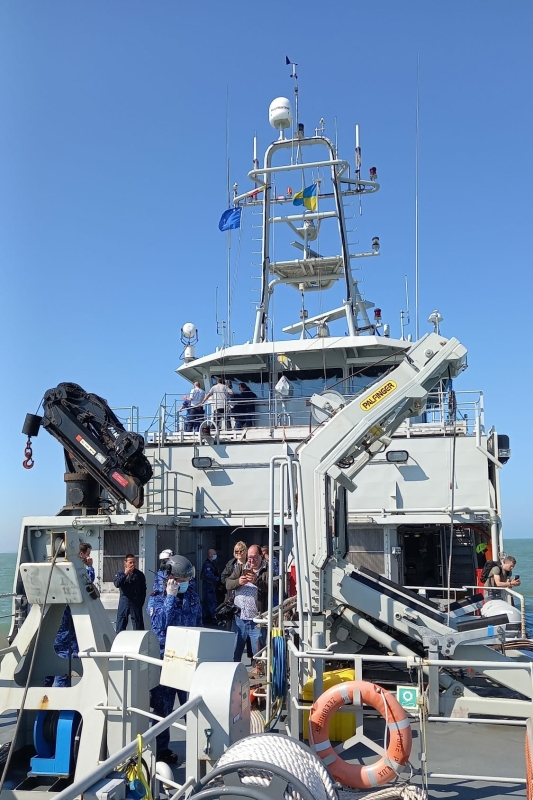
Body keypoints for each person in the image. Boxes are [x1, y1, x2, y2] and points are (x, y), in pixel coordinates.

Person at [147, 554, 202, 763]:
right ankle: (161, 752)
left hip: (189, 659)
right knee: (163, 710)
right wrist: (170, 597)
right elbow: (160, 626)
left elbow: (198, 622)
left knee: (194, 707)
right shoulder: (157, 597)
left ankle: (200, 751)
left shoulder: (192, 596)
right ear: (173, 580)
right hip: (166, 661)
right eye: (184, 580)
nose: (188, 584)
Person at [45, 543, 96, 688]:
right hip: (66, 620)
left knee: (47, 664)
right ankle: (60, 702)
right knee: (63, 665)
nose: (88, 557)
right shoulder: (77, 569)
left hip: (51, 621)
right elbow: (87, 583)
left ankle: (42, 704)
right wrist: (90, 567)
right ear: (81, 554)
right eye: (87, 554)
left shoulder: (55, 568)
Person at [225, 544, 268, 672]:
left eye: (254, 558)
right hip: (239, 617)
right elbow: (228, 583)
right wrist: (238, 582)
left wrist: (256, 580)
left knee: (258, 651)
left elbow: (274, 587)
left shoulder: (267, 571)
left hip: (257, 620)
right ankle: (233, 673)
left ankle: (259, 676)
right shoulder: (241, 568)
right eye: (249, 558)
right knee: (236, 650)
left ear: (261, 557)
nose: (251, 561)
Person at [114, 554, 147, 633]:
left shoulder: (139, 574)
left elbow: (143, 590)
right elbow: (117, 584)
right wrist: (125, 574)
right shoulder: (120, 573)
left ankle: (139, 642)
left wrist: (140, 602)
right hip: (124, 601)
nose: (133, 564)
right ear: (125, 563)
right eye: (130, 562)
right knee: (120, 624)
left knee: (138, 625)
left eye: (134, 562)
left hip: (135, 601)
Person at [200, 549, 220, 623]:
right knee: (212, 601)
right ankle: (214, 617)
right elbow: (209, 575)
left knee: (207, 602)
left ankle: (206, 616)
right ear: (210, 555)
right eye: (214, 554)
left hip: (210, 585)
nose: (215, 555)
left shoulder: (212, 563)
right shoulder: (208, 564)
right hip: (209, 586)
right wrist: (218, 579)